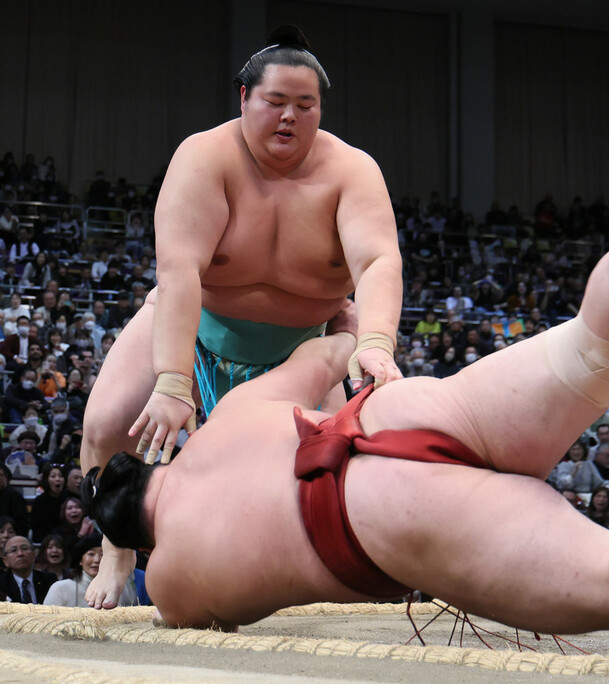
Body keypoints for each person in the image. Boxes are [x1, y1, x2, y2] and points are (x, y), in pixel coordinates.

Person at [83, 136, 609, 632]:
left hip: (378, 519)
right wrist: (357, 342)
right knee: (603, 344)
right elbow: (325, 354)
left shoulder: (182, 582)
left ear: (141, 534)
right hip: (400, 411)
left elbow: (195, 611)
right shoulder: (229, 416)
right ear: (155, 469)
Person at [80, 27, 405, 607]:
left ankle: (329, 575)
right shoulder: (204, 157)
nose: (290, 118)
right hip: (196, 323)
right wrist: (174, 378)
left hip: (305, 340)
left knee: (338, 465)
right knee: (106, 424)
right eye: (275, 102)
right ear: (244, 99)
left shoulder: (352, 170)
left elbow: (379, 259)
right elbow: (179, 271)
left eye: (305, 106)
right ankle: (117, 552)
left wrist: (375, 341)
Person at [43, 534, 136, 608]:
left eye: (102, 554)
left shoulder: (122, 587)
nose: (97, 560)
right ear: (80, 560)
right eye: (91, 554)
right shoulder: (61, 588)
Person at [0, 536, 57, 603]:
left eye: (24, 548)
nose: (20, 554)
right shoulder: (1, 585)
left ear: (34, 555)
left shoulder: (49, 580)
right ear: (5, 561)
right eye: (13, 550)